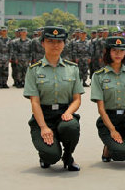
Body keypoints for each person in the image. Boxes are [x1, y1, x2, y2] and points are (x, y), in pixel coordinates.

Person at [24, 26, 83, 171]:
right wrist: (43, 127)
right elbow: (35, 102)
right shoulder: (34, 70)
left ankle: (68, 157)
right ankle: (46, 154)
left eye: (59, 41)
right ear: (42, 43)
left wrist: (69, 112)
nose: (55, 45)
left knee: (71, 127)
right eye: (50, 41)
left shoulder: (72, 69)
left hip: (64, 113)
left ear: (64, 44)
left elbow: (77, 99)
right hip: (43, 116)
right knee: (51, 157)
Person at [90, 36, 125, 166]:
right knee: (120, 155)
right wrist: (113, 130)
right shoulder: (99, 76)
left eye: (121, 51)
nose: (118, 54)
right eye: (114, 50)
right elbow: (101, 110)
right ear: (108, 52)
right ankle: (108, 147)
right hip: (107, 120)